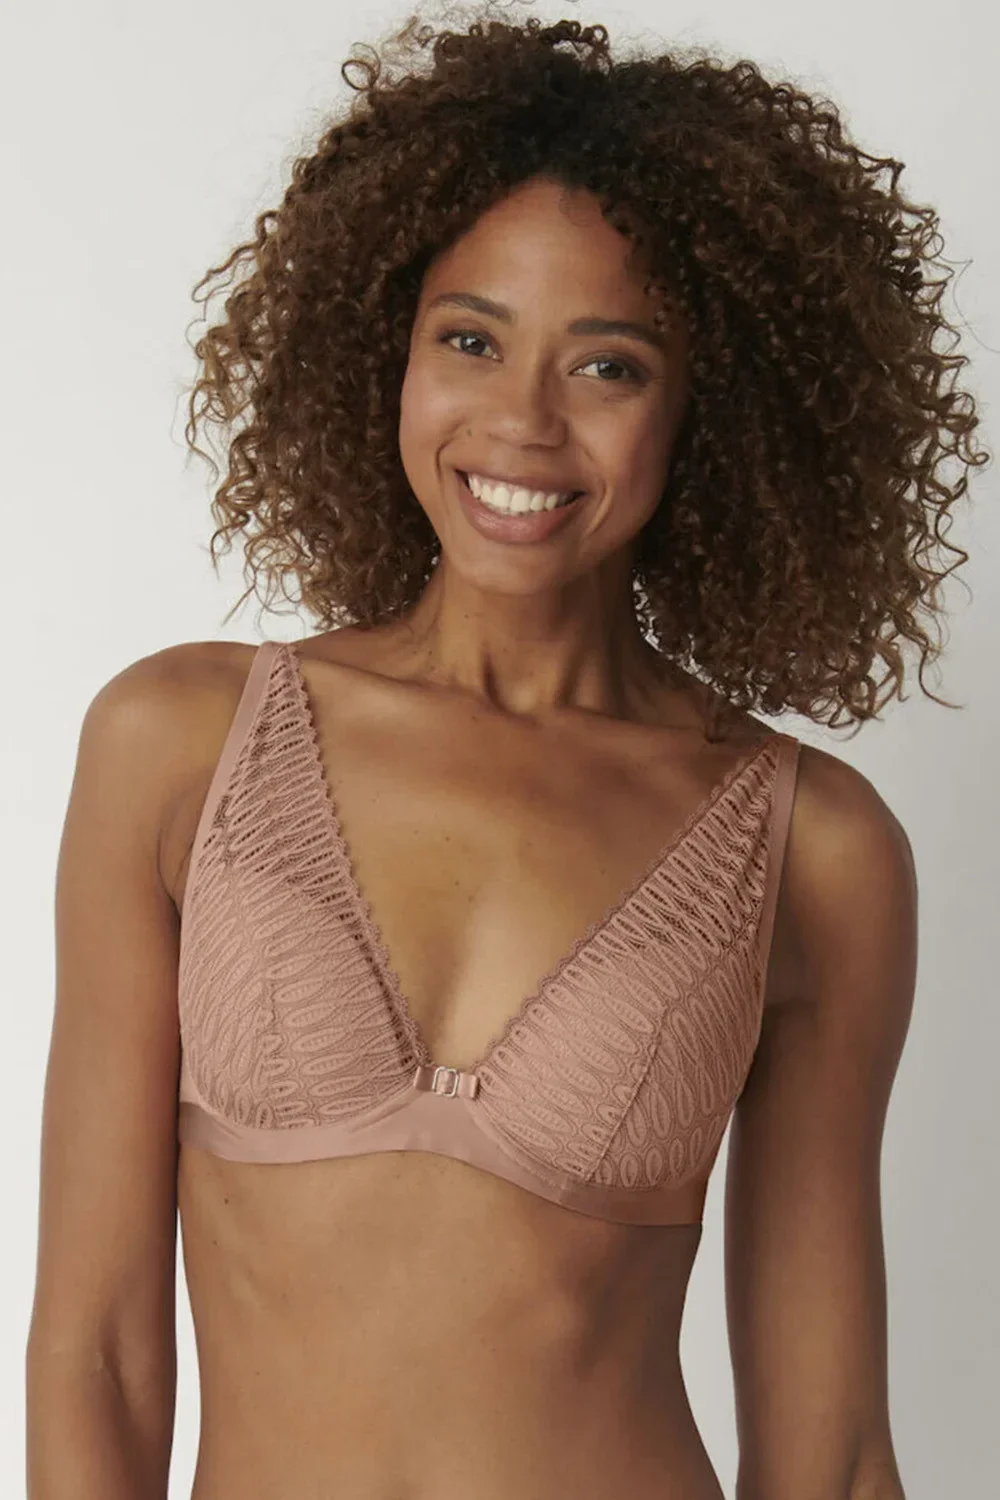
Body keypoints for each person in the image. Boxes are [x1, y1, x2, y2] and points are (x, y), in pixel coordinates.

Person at [26, 10, 987, 1500]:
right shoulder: (181, 743)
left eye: (609, 367)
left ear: (707, 410)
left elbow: (835, 1451)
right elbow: (93, 1351)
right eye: (470, 341)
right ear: (387, 352)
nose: (522, 423)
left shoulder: (813, 846)